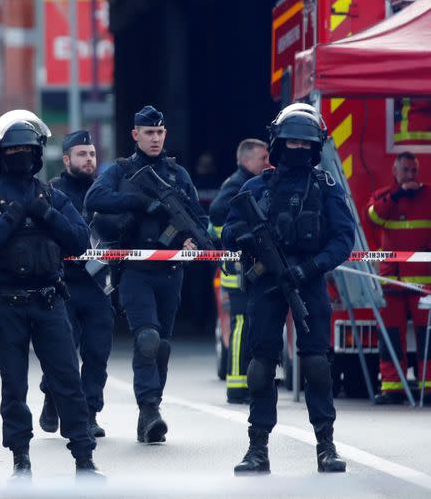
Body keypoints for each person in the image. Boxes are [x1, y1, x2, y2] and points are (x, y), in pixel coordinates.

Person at [0, 110, 102, 478]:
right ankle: (21, 461)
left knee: (68, 383)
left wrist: (46, 214)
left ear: (38, 153)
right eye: (13, 149)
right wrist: (9, 220)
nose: (21, 155)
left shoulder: (51, 197)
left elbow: (80, 241)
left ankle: (85, 461)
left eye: (27, 148)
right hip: (7, 304)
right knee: (14, 387)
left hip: (50, 301)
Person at [222, 103, 354, 474]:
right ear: (277, 144)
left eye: (304, 144)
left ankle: (325, 446)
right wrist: (246, 238)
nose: (298, 149)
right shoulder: (255, 187)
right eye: (291, 143)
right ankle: (257, 449)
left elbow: (343, 238)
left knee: (316, 365)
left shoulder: (326, 188)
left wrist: (311, 267)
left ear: (315, 148)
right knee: (260, 368)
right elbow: (229, 229)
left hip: (308, 282)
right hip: (265, 283)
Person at [85, 105, 208, 443]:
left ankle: (148, 412)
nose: (155, 138)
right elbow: (95, 198)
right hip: (136, 270)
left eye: (159, 132)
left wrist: (190, 238)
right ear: (135, 135)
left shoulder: (177, 175)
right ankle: (150, 407)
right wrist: (139, 202)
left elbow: (199, 219)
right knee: (148, 339)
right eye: (148, 133)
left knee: (162, 346)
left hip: (170, 271)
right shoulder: (121, 171)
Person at [38, 130, 115, 439]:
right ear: (67, 159)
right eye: (82, 154)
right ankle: (51, 396)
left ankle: (90, 413)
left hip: (99, 286)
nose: (89, 160)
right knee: (62, 352)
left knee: (97, 353)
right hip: (63, 284)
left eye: (93, 154)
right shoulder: (51, 192)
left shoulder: (104, 191)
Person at [366, 152, 431, 405]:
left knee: (428, 336)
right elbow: (372, 218)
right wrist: (397, 195)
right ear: (395, 171)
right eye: (405, 170)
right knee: (391, 335)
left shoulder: (428, 195)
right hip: (391, 279)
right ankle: (393, 388)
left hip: (424, 282)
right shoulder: (384, 196)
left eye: (414, 171)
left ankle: (428, 388)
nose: (411, 175)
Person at [209, 139, 270, 404]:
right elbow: (217, 214)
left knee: (247, 326)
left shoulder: (247, 183)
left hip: (245, 271)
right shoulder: (237, 184)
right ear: (246, 161)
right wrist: (241, 235)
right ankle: (236, 387)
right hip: (238, 272)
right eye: (262, 158)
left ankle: (242, 383)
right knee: (240, 327)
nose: (267, 163)